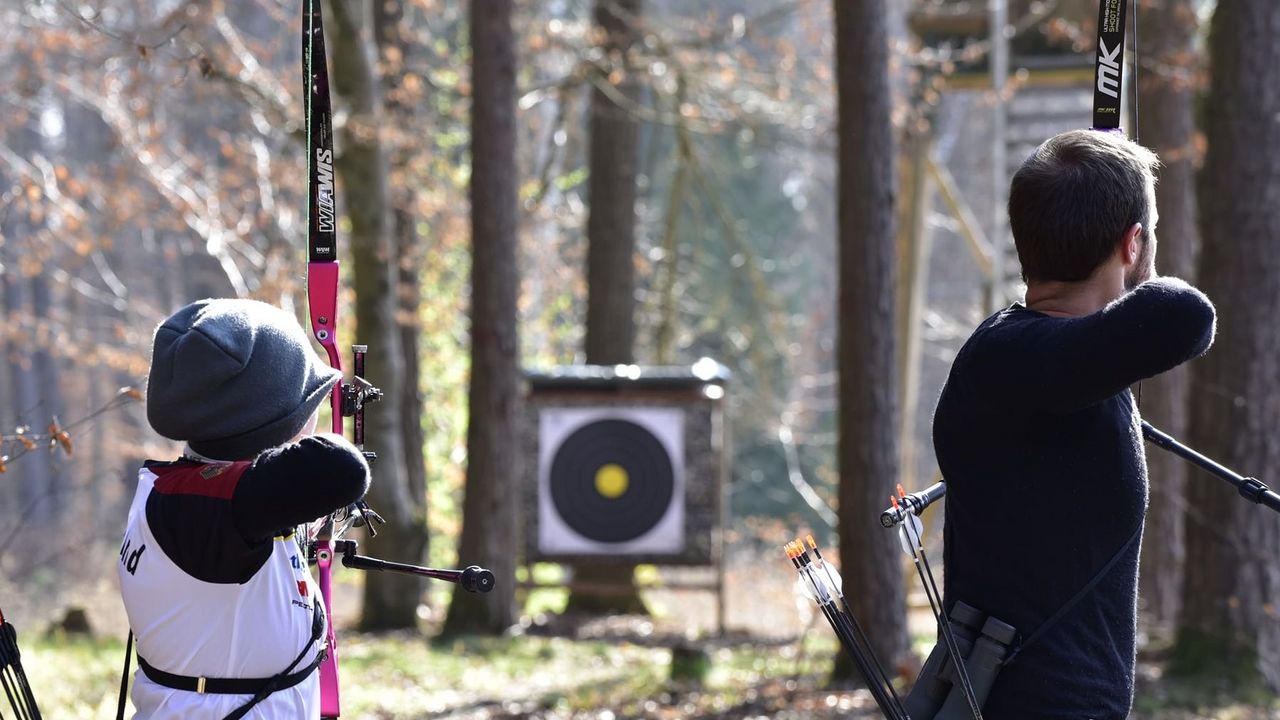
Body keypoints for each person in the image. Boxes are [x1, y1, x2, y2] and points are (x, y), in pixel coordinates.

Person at [933, 129, 1216, 719]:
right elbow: (1184, 314)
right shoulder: (1011, 360)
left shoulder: (1045, 362)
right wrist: (1140, 266)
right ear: (1132, 243)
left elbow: (1109, 346)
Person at [118, 298, 370, 720]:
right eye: (310, 403)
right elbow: (341, 470)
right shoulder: (204, 509)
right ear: (273, 419)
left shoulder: (196, 496)